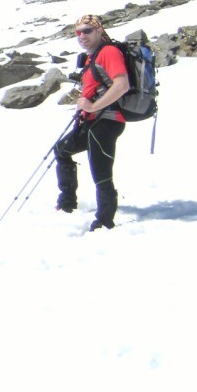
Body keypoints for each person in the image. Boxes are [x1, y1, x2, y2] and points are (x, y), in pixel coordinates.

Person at [54, 14, 130, 231]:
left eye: (87, 30)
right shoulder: (92, 57)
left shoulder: (109, 52)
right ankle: (67, 202)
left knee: (101, 172)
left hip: (107, 120)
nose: (81, 36)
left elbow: (122, 85)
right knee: (61, 150)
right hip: (91, 120)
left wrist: (93, 106)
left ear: (99, 30)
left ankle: (104, 221)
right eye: (78, 32)